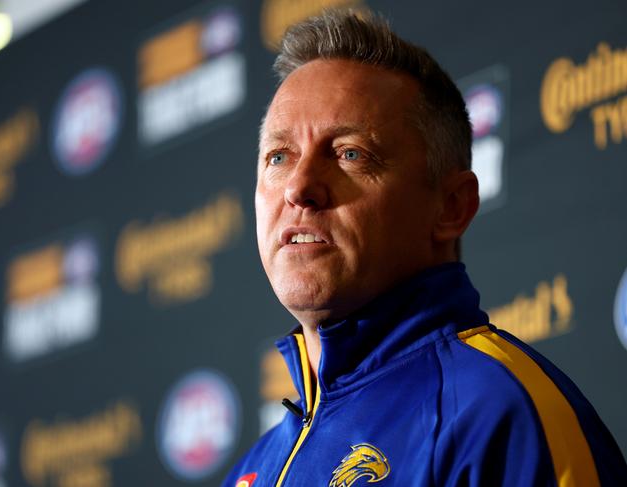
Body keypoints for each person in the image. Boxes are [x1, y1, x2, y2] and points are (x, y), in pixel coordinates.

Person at [223, 9, 627, 487]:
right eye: (278, 157)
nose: (299, 186)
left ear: (451, 207)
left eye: (350, 154)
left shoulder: (502, 416)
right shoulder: (254, 468)